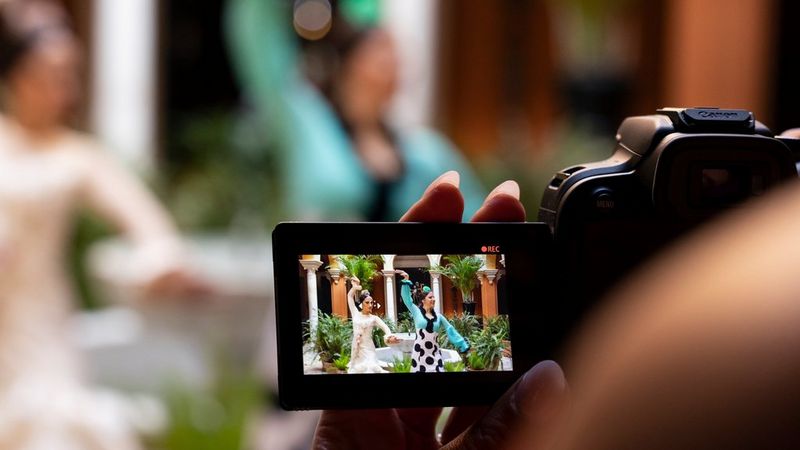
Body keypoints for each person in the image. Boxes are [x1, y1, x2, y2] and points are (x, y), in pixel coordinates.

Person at [315, 166, 800, 449]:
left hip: (432, 354)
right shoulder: (421, 311)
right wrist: (407, 299)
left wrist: (462, 348)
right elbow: (420, 314)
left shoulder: (431, 316)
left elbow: (448, 331)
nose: (424, 297)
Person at [0, 1, 203, 448]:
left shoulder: (78, 156)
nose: (60, 88)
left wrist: (161, 263)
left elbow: (145, 219)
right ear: (17, 74)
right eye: (47, 73)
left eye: (67, 75)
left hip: (39, 320)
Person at [226, 0, 486, 221]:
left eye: (395, 52)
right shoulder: (309, 123)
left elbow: (474, 216)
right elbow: (257, 41)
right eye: (380, 49)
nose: (393, 60)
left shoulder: (425, 151)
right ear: (349, 61)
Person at [396, 270, 469, 373]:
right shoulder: (416, 311)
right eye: (430, 297)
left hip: (435, 354)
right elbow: (407, 299)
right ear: (423, 300)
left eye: (433, 297)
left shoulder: (439, 317)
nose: (433, 299)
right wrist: (406, 280)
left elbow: (450, 330)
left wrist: (462, 345)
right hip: (419, 355)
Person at [346, 276, 399, 373]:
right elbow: (349, 296)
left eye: (371, 302)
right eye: (367, 302)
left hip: (369, 349)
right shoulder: (355, 314)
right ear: (362, 304)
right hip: (357, 349)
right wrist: (355, 287)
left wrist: (389, 336)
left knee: (371, 368)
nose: (370, 305)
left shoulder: (374, 318)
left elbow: (386, 328)